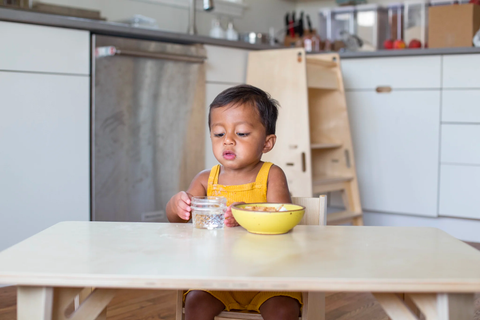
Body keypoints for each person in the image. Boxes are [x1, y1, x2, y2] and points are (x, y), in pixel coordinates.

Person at [166, 84, 301, 320]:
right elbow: (178, 218)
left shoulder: (271, 175)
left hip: (268, 278)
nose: (228, 141)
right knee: (195, 302)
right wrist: (177, 203)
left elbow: (281, 218)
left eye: (242, 133)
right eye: (219, 134)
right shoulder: (206, 179)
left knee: (283, 310)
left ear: (267, 143)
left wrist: (244, 214)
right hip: (217, 278)